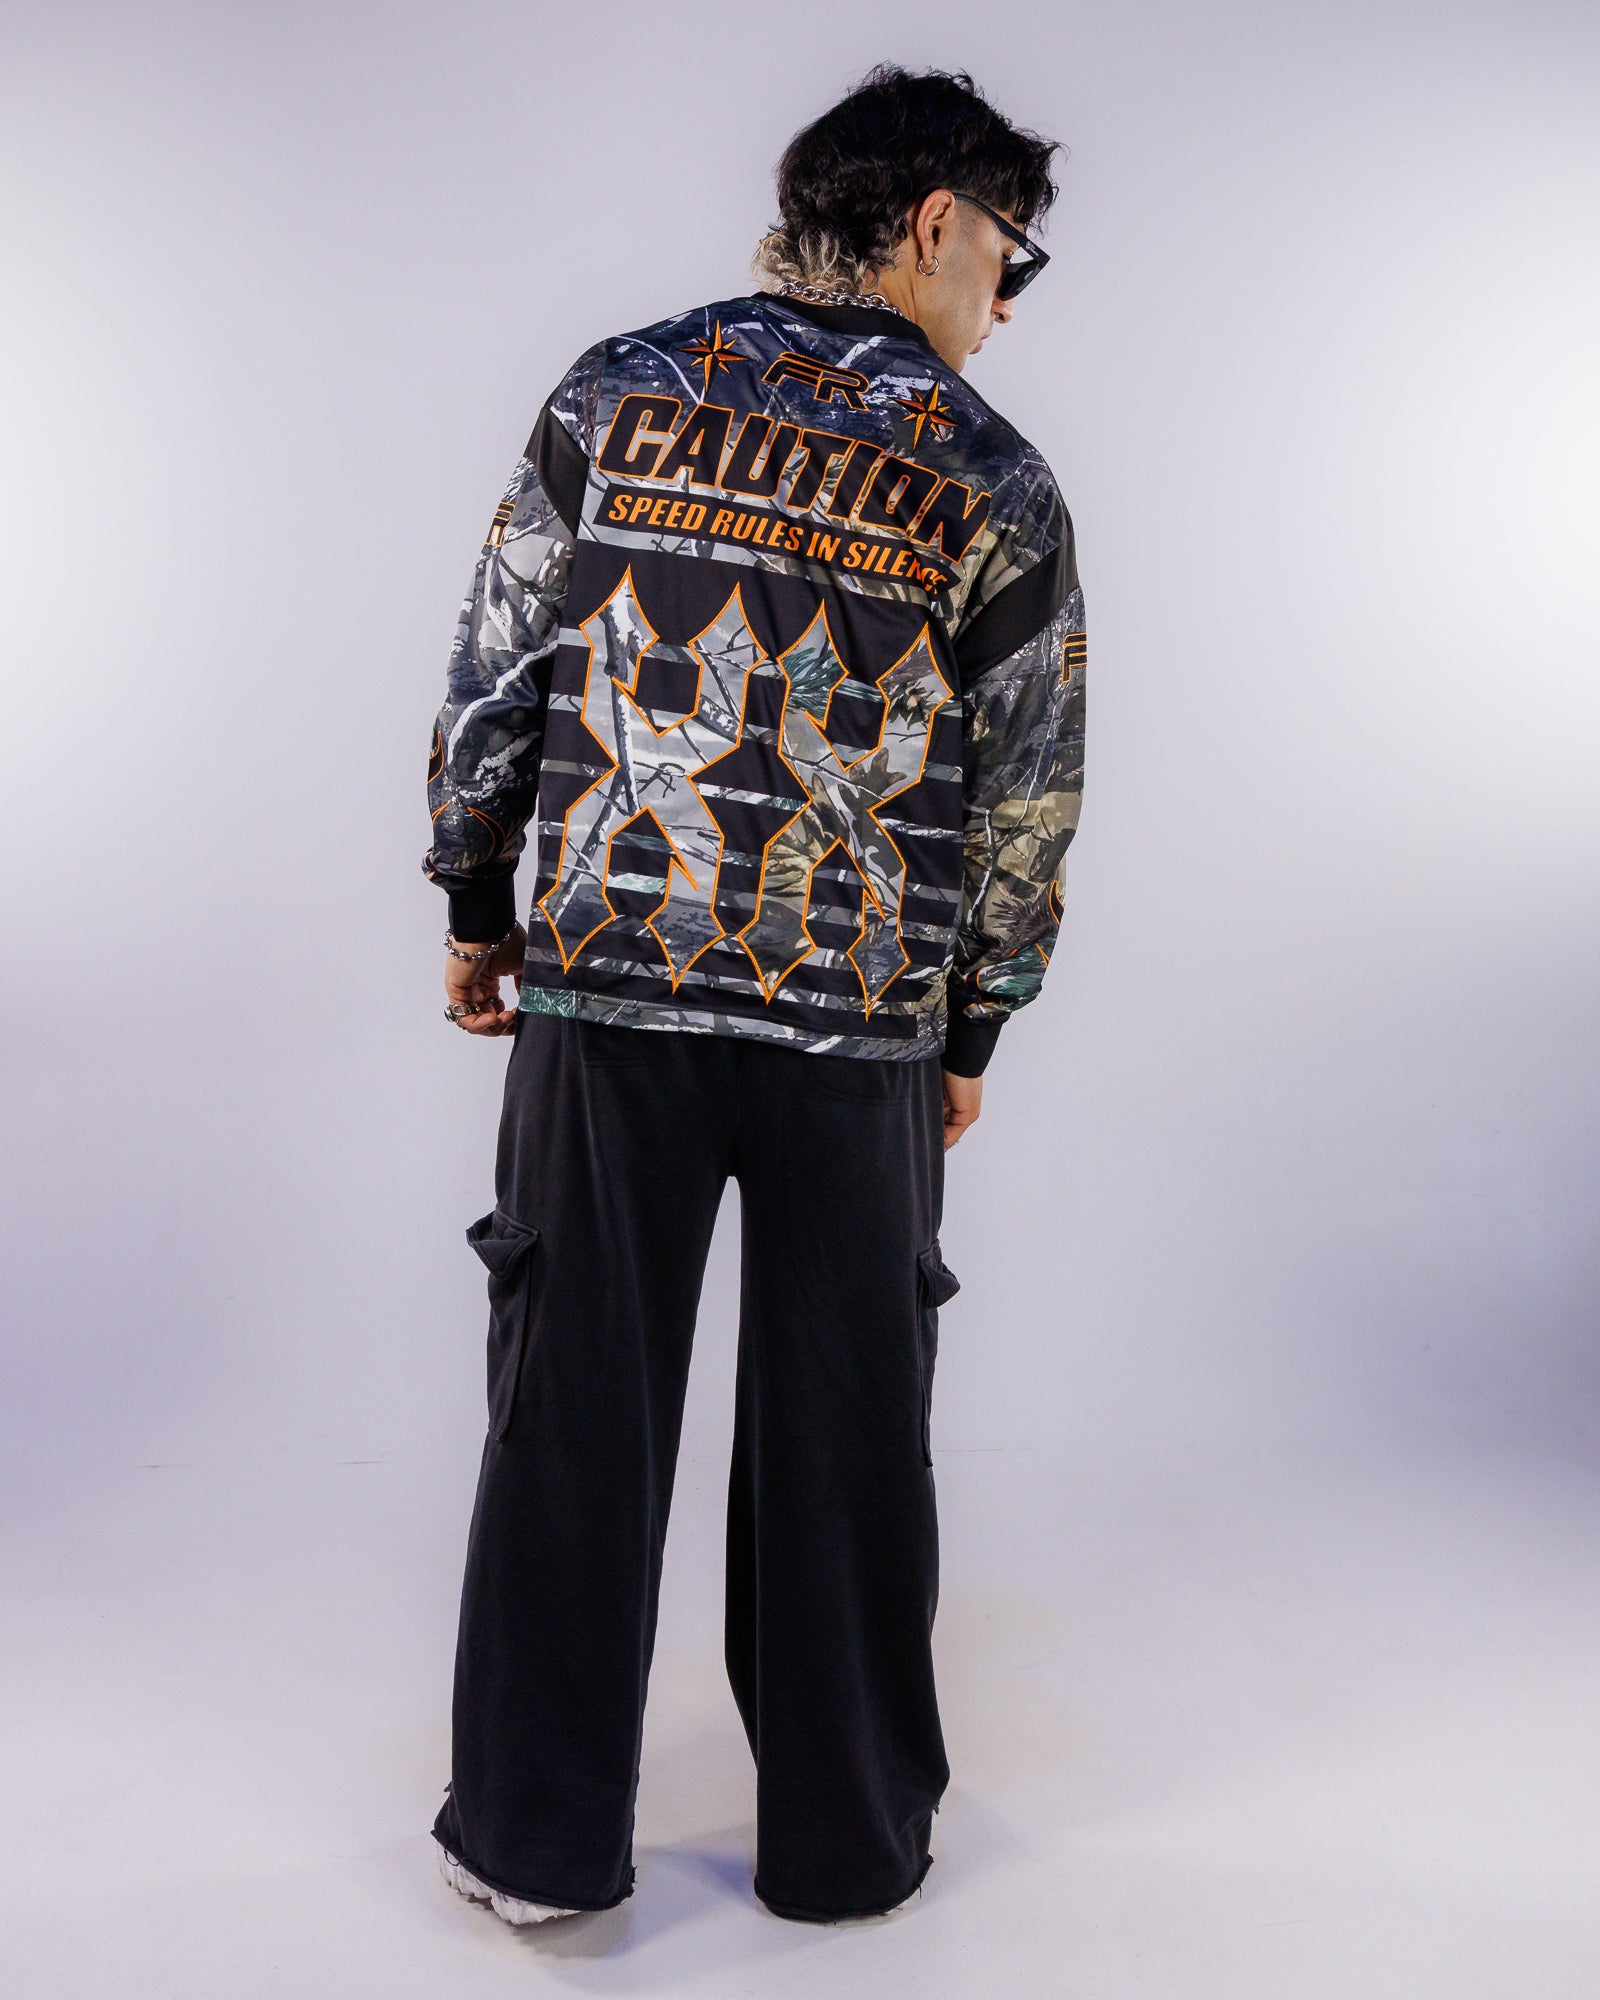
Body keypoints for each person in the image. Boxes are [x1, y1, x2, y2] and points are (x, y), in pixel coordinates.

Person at [420, 62, 1085, 1928]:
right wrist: (973, 1024)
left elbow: (498, 669)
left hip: (610, 990)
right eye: (1012, 257)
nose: (1008, 303)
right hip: (856, 1029)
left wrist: (477, 896)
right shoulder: (990, 475)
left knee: (572, 1412)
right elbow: (1030, 790)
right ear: (935, 224)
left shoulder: (612, 392)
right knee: (850, 1432)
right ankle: (846, 1848)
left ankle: (537, 1846)